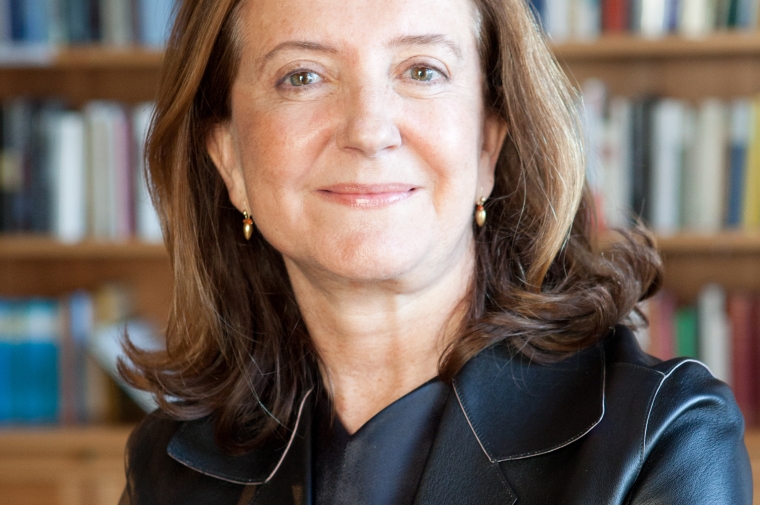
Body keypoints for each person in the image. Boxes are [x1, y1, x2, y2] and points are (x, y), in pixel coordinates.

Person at [118, 0, 753, 503]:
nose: (368, 130)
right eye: (302, 77)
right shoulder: (167, 462)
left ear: (487, 147)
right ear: (229, 160)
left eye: (422, 70)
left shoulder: (661, 438)